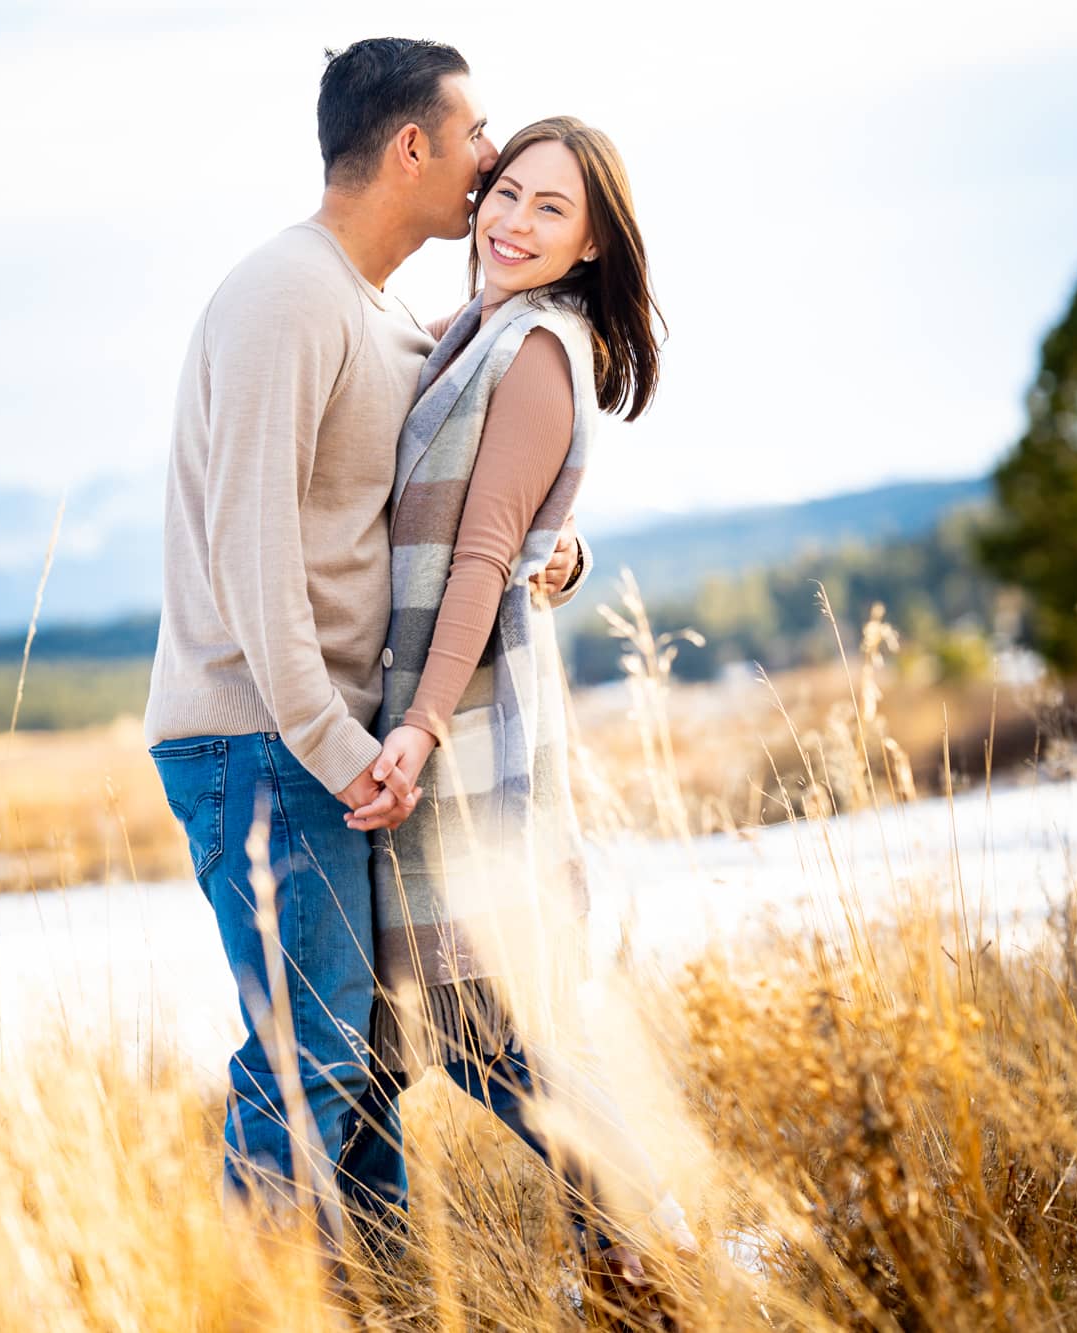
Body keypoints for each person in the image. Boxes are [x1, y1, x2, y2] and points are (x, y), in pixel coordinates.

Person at [142, 38, 587, 1242]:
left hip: (327, 742)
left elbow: (445, 497)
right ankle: (246, 1303)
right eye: (476, 134)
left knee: (369, 1057)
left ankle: (371, 1302)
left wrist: (550, 545)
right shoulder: (284, 294)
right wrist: (333, 745)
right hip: (261, 738)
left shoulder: (376, 308)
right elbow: (250, 552)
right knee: (317, 1051)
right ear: (411, 148)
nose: (491, 160)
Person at [356, 114, 697, 1308]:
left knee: (478, 1022)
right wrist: (564, 549)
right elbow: (520, 528)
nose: (509, 218)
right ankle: (599, 1262)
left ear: (592, 243)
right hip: (433, 722)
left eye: (550, 209)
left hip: (460, 732)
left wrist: (420, 722)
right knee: (402, 1035)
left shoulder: (534, 349)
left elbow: (481, 553)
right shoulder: (476, 333)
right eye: (506, 190)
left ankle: (654, 1247)